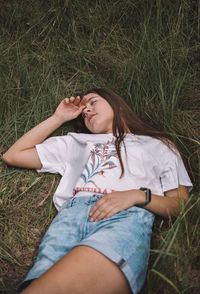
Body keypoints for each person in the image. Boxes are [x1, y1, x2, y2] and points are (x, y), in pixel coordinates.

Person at [2, 88, 193, 294]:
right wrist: (58, 118)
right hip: (66, 225)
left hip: (121, 219)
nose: (87, 111)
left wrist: (139, 195)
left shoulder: (158, 145)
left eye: (93, 102)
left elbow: (180, 205)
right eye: (84, 110)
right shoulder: (76, 142)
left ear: (117, 104)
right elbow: (13, 155)